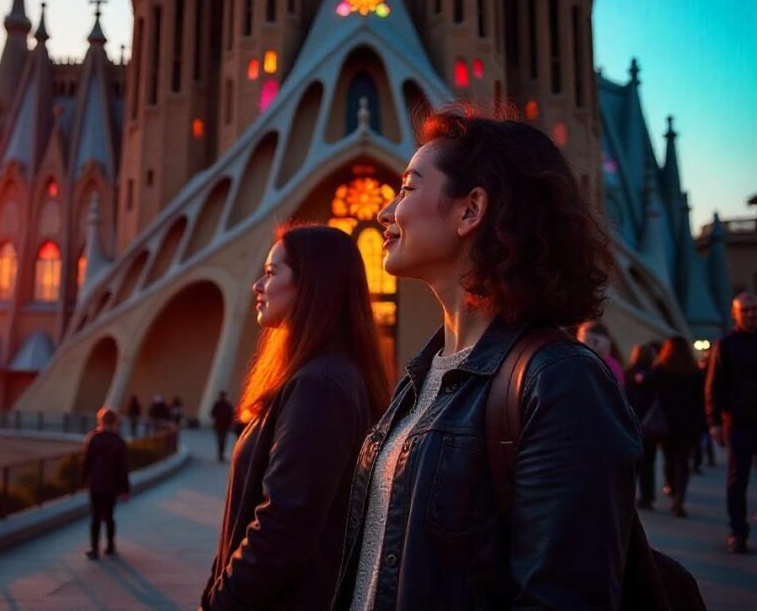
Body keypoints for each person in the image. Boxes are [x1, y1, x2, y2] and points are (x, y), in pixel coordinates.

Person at [334, 109, 641, 609]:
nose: (384, 213)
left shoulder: (560, 383)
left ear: (470, 211)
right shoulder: (423, 376)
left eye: (408, 189)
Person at [200, 225, 393, 611]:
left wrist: (219, 603)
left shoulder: (321, 386)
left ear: (310, 286)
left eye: (271, 273)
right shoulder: (319, 377)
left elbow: (282, 528)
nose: (258, 285)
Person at [706, 291, 757, 554]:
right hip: (738, 422)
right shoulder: (726, 345)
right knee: (738, 478)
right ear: (735, 313)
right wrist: (713, 421)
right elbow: (714, 384)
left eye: (754, 309)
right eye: (745, 310)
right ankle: (737, 530)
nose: (751, 314)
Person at [650, 336, 705, 517]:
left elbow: (648, 385)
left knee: (669, 458)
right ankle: (679, 498)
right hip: (689, 423)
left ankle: (671, 486)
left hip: (667, 422)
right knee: (683, 461)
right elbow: (700, 399)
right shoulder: (694, 371)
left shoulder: (662, 368)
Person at [81, 407, 130, 559]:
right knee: (109, 516)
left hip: (95, 484)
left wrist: (83, 480)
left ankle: (94, 549)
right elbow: (123, 468)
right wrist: (125, 488)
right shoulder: (118, 442)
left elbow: (86, 463)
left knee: (95, 517)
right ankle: (110, 546)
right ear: (115, 422)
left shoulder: (93, 439)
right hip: (111, 485)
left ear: (100, 421)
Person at [625, 342, 660, 509]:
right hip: (649, 424)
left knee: (633, 463)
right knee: (649, 462)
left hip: (632, 422)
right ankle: (648, 495)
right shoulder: (655, 374)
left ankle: (634, 495)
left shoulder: (628, 373)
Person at [577, 320, 626, 391]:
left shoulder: (607, 366)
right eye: (583, 343)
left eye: (595, 342)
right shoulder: (609, 363)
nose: (590, 347)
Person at [209, 390, 235, 462]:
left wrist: (214, 421)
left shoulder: (217, 404)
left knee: (219, 439)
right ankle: (221, 454)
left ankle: (220, 454)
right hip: (225, 425)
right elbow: (232, 415)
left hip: (218, 425)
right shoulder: (228, 405)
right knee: (223, 439)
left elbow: (212, 414)